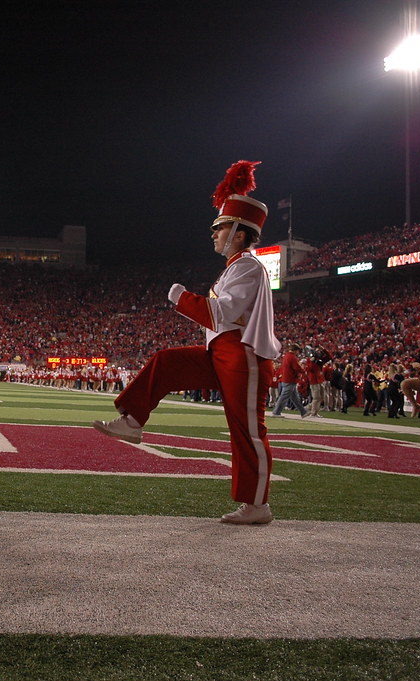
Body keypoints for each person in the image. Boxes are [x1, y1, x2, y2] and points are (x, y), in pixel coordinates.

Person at [92, 160, 281, 525]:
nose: (213, 234)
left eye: (220, 227)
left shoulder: (247, 266)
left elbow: (221, 314)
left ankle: (258, 506)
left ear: (239, 232)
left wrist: (180, 297)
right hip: (224, 352)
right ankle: (133, 420)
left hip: (243, 354)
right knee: (168, 362)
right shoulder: (236, 266)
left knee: (247, 430)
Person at [271, 344, 308, 418]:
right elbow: (296, 367)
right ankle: (276, 412)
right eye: (298, 351)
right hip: (290, 379)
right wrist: (303, 371)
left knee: (295, 398)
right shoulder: (292, 357)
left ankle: (303, 412)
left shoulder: (286, 356)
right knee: (284, 397)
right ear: (295, 350)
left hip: (287, 379)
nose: (298, 353)